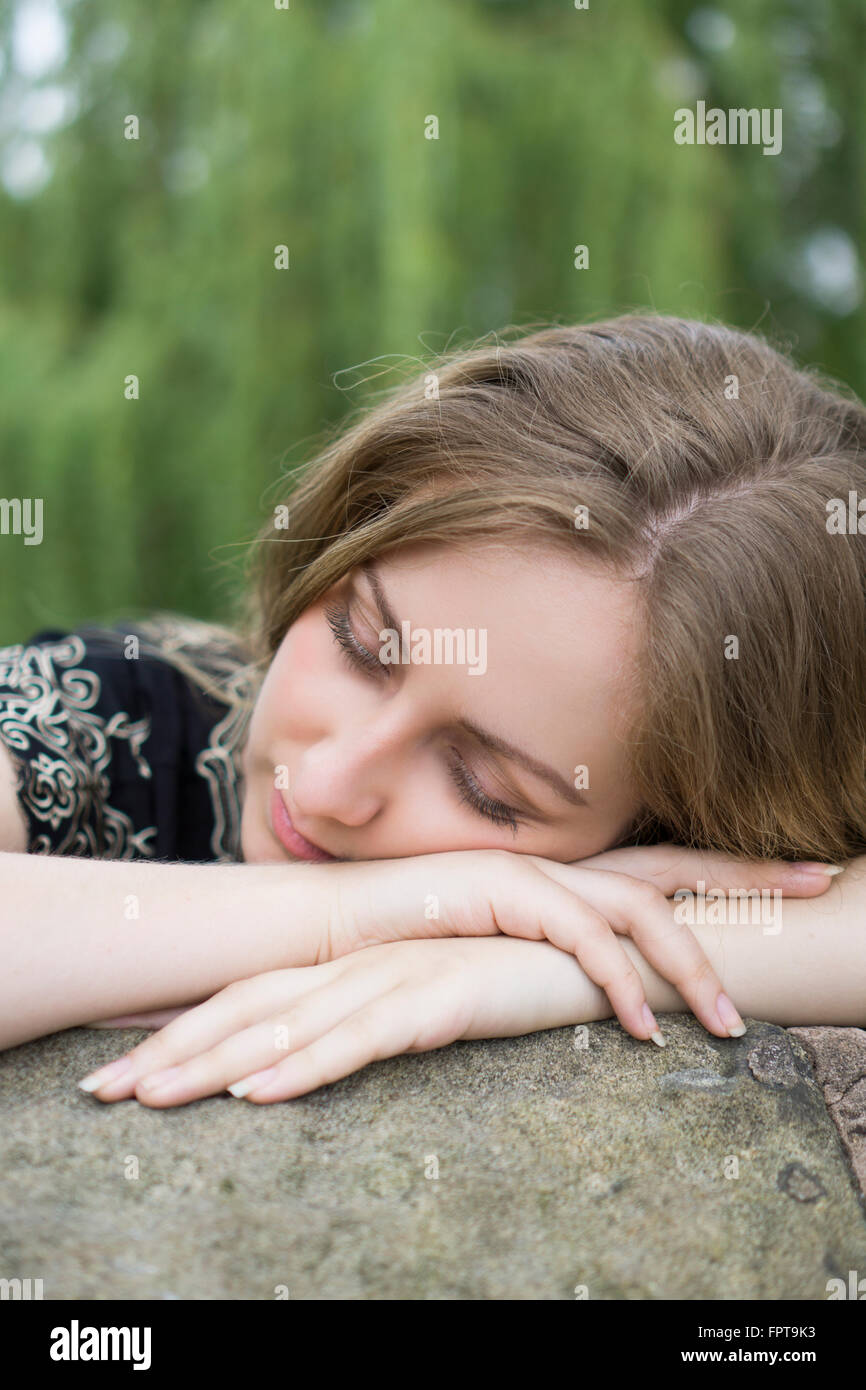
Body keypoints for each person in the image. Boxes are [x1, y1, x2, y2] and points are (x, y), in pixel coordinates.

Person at [1, 313, 864, 1108]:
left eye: (481, 786)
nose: (332, 781)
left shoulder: (649, 872)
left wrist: (585, 961)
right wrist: (365, 913)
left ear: (662, 837)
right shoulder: (113, 713)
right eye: (359, 643)